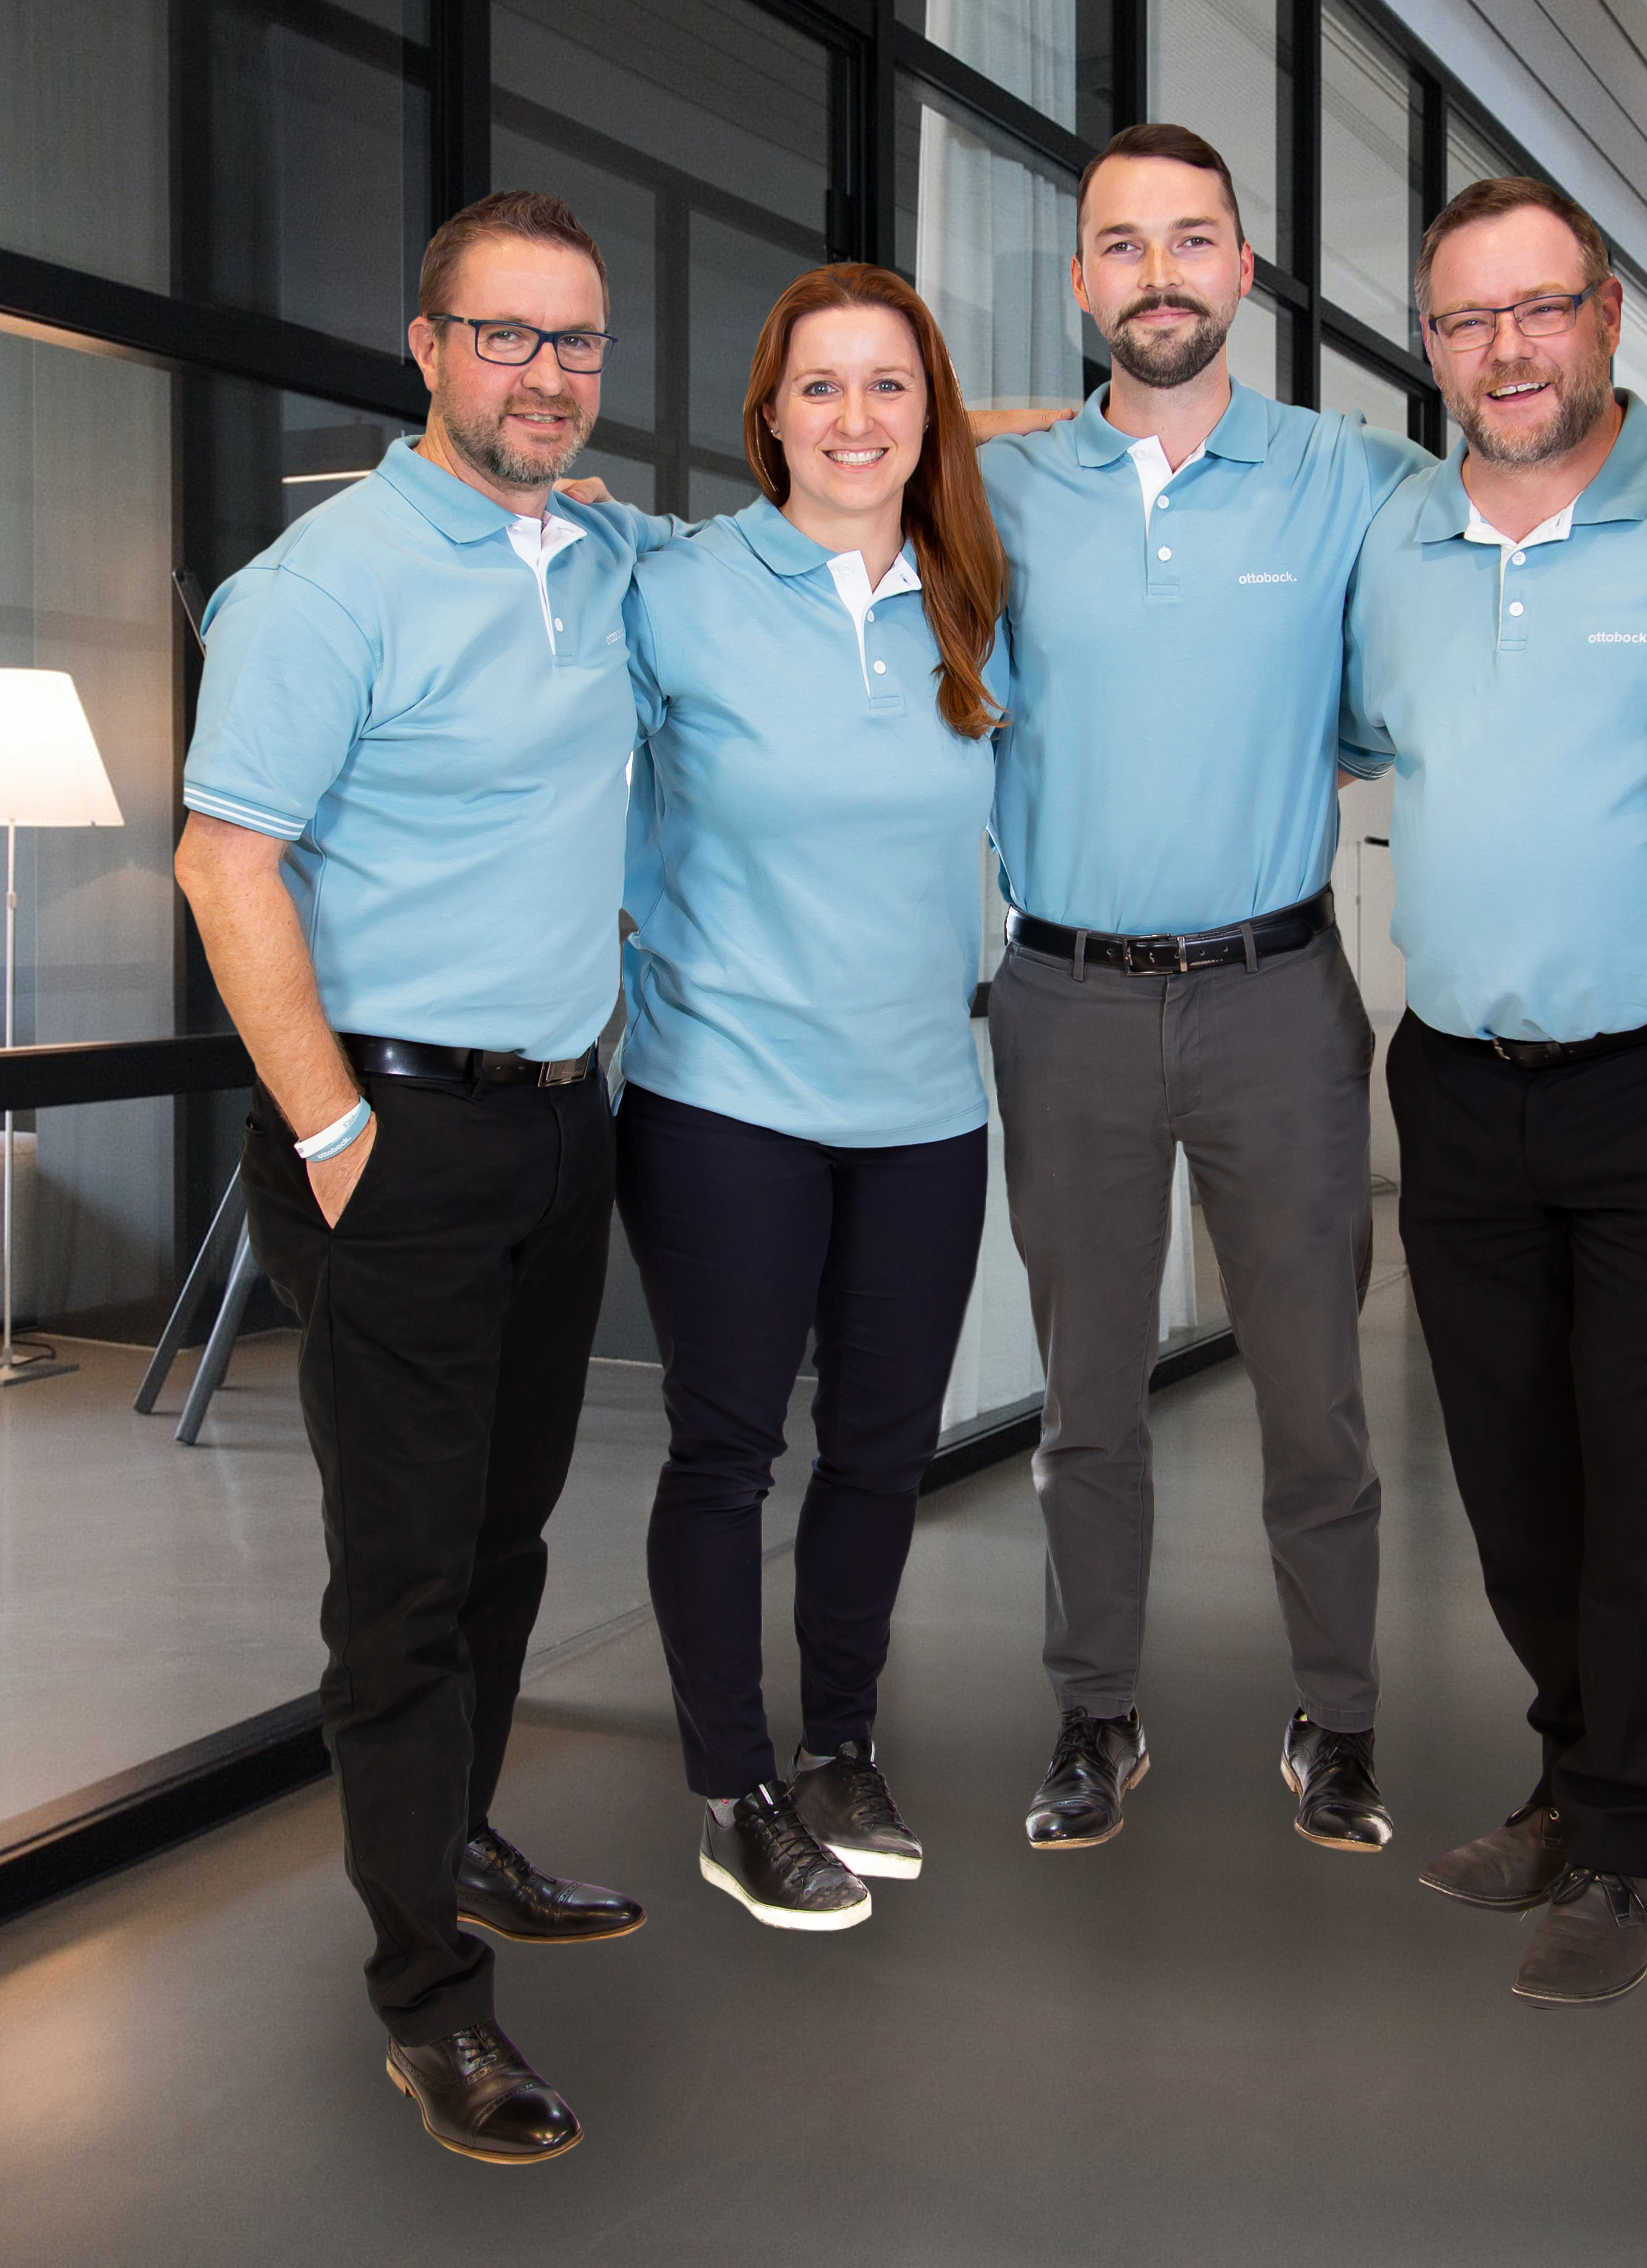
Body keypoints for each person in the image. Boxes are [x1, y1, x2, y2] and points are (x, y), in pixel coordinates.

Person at [172, 189, 665, 2166]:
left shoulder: (604, 551)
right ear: (427, 345)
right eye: (509, 336)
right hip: (389, 1128)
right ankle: (425, 2001)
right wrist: (333, 1138)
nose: (547, 375)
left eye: (577, 343)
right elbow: (229, 865)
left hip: (558, 1114)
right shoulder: (329, 581)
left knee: (506, 1534)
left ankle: (457, 1836)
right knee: (400, 1581)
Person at [1338, 177, 1647, 2007]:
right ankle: (1565, 1771)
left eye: (1537, 310)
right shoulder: (1395, 537)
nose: (1502, 350)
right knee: (1511, 1474)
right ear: (1429, 344)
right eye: (1461, 321)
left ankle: (1626, 1841)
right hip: (1452, 1081)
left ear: (1605, 315)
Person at [980, 124, 1434, 1855]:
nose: (1156, 272)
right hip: (1065, 1000)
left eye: (1192, 240)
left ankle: (1341, 1719)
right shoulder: (1006, 495)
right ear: (1084, 280)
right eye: (1119, 245)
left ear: (1244, 271)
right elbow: (840, 463)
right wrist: (979, 426)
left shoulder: (1357, 479)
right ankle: (1094, 1715)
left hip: (1272, 996)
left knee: (1312, 1389)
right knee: (1084, 1395)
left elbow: (1556, 504)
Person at [612, 264, 1006, 1935]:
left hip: (923, 1098)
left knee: (878, 1449)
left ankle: (839, 1742)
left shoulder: (974, 601)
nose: (856, 419)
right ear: (767, 413)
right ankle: (734, 1787)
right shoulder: (675, 587)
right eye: (821, 387)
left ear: (930, 416)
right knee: (725, 1450)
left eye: (890, 387)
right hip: (723, 1095)